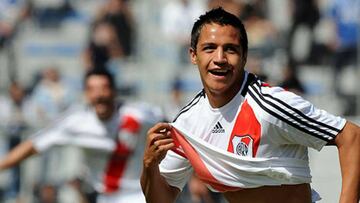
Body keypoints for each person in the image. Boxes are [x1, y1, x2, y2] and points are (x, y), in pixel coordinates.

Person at [141, 7, 360, 203]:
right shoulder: (187, 124)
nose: (220, 58)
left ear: (245, 56)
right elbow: (162, 198)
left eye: (230, 49)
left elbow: (351, 136)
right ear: (193, 55)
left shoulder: (270, 106)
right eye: (209, 48)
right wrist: (150, 166)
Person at [0, 68, 162, 203]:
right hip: (104, 198)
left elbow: (171, 128)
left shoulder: (138, 116)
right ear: (86, 93)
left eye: (103, 88)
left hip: (140, 195)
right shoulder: (76, 121)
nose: (99, 95)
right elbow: (33, 145)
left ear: (113, 91)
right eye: (92, 89)